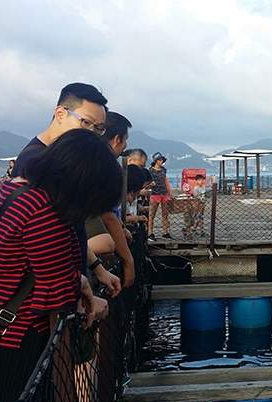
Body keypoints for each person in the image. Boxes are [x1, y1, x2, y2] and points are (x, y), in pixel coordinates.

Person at [0, 129, 119, 402]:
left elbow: (40, 268)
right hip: (17, 342)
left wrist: (81, 282)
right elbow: (54, 294)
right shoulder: (43, 212)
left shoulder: (15, 189)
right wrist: (90, 297)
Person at [11, 83, 123, 291]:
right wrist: (80, 291)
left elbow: (70, 227)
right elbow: (45, 244)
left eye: (98, 129)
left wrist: (97, 268)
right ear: (60, 113)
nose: (91, 134)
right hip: (36, 300)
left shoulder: (59, 160)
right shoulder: (35, 163)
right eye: (86, 123)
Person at [86, 112, 136, 293]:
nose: (125, 145)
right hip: (81, 223)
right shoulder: (106, 163)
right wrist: (128, 261)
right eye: (126, 139)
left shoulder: (86, 154)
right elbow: (108, 216)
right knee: (107, 243)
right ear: (117, 139)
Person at [148, 152, 173, 240]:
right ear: (156, 160)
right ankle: (150, 233)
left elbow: (166, 180)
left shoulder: (164, 170)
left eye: (162, 159)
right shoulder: (150, 170)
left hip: (164, 194)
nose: (162, 161)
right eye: (160, 159)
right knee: (152, 215)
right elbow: (147, 182)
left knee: (165, 214)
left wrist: (169, 191)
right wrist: (151, 184)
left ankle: (165, 232)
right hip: (154, 194)